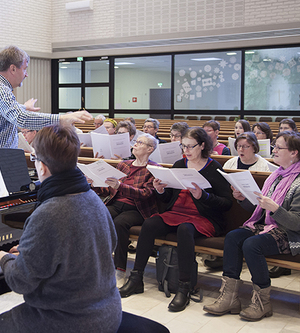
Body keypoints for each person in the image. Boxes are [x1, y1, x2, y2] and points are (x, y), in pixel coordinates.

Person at [0, 124, 122, 333]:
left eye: (34, 158)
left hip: (70, 322)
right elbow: (108, 242)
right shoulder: (93, 197)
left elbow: (20, 282)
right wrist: (37, 252)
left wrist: (4, 258)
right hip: (108, 312)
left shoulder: (49, 213)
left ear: (43, 167)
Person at [119, 127, 232, 312]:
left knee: (185, 230)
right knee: (150, 224)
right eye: (183, 146)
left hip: (203, 217)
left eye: (190, 146)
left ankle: (184, 286)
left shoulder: (213, 168)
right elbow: (167, 199)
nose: (186, 151)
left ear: (202, 146)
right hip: (176, 213)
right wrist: (160, 190)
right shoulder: (180, 164)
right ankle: (136, 278)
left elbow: (226, 203)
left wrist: (203, 196)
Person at [203, 131, 300, 321]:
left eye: (279, 147)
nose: (274, 150)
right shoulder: (276, 175)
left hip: (289, 233)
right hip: (266, 226)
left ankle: (262, 302)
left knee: (252, 244)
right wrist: (242, 199)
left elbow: (296, 223)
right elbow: (259, 209)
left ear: (294, 152)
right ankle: (229, 297)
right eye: (274, 146)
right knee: (233, 237)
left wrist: (276, 208)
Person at [0, 45, 92, 149]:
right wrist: (62, 119)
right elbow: (21, 118)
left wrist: (23, 106)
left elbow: (0, 110)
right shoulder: (0, 89)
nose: (26, 74)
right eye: (25, 69)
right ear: (13, 69)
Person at [90, 133, 159, 288]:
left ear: (150, 149)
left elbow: (146, 195)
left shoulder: (153, 169)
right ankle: (96, 264)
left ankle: (119, 269)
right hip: (116, 204)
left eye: (140, 143)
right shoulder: (124, 164)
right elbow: (108, 189)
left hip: (137, 209)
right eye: (136, 142)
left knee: (120, 223)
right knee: (97, 216)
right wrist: (93, 183)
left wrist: (120, 186)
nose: (135, 144)